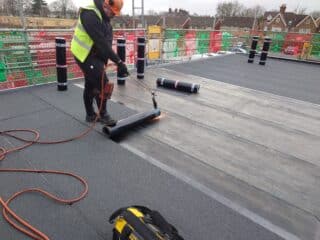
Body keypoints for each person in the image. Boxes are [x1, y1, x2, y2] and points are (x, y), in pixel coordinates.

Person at [71, 0, 129, 126]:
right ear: (105, 5)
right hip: (83, 53)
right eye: (113, 13)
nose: (114, 16)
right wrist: (119, 62)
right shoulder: (89, 14)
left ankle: (90, 115)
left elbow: (106, 43)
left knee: (90, 83)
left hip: (95, 54)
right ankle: (103, 115)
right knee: (103, 83)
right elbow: (101, 42)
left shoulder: (105, 18)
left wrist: (105, 61)